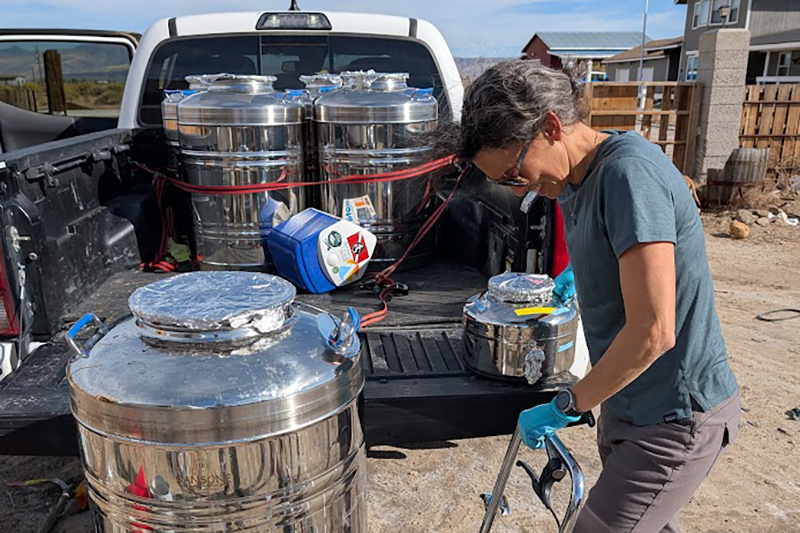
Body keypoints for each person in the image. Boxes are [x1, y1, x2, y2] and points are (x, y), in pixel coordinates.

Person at [449, 61, 740, 533]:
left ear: (550, 126)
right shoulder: (571, 178)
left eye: (515, 174)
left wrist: (568, 403)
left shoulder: (629, 176)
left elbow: (653, 331)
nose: (517, 189)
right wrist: (572, 277)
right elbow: (614, 249)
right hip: (629, 406)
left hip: (675, 417)